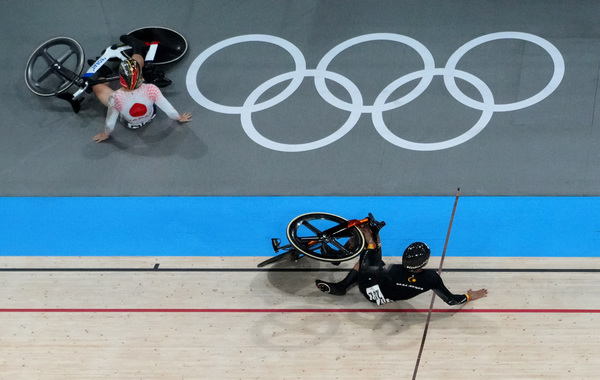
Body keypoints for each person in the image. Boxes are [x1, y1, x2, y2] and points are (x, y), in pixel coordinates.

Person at [315, 223, 487, 306]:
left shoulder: (394, 270)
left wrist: (371, 242)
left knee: (367, 256)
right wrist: (469, 296)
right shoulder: (432, 279)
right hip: (386, 296)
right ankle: (347, 271)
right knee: (374, 254)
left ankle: (342, 284)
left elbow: (368, 267)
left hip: (370, 290)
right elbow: (451, 300)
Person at [92, 35, 192, 143]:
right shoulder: (151, 89)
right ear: (141, 77)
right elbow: (168, 108)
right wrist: (179, 118)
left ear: (121, 79)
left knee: (98, 87)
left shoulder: (116, 98)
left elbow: (110, 121)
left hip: (131, 124)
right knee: (137, 64)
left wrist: (106, 134)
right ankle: (137, 48)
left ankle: (103, 75)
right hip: (151, 115)